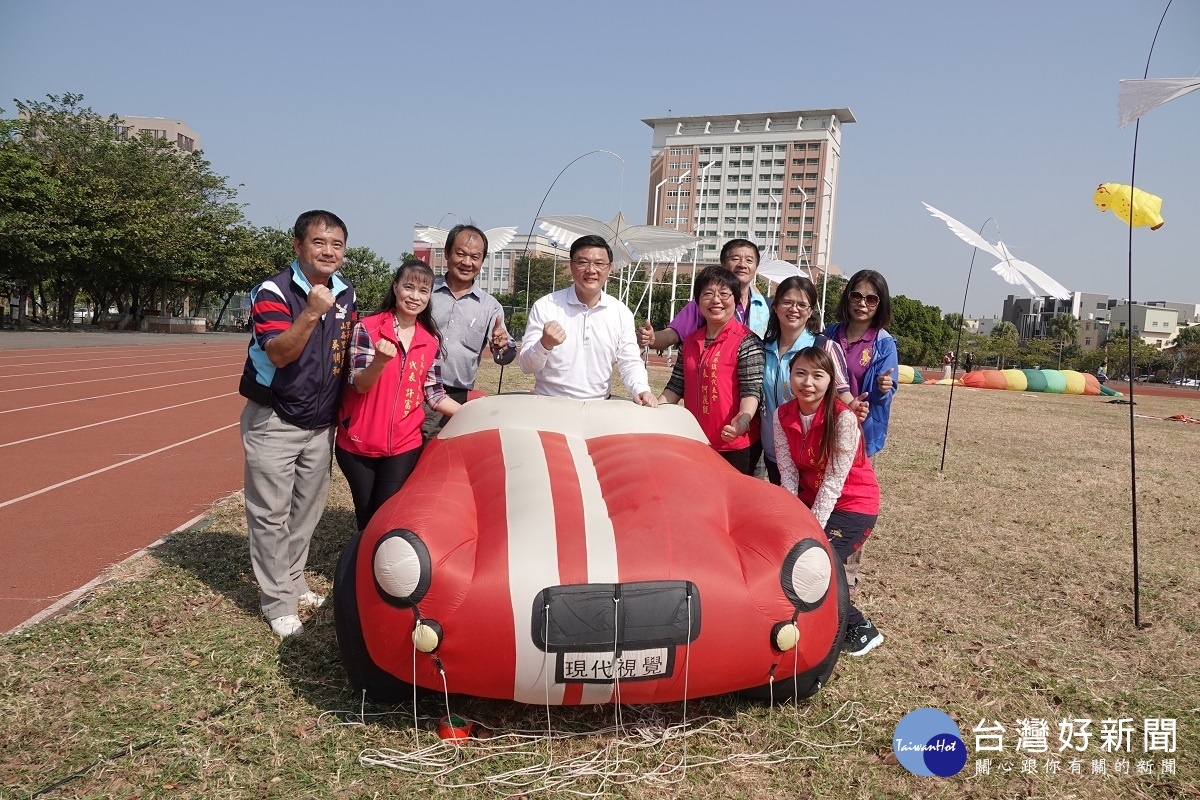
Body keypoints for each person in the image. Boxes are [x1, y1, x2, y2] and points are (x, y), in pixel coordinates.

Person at [239, 210, 356, 639]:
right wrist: (310, 312)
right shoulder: (274, 291)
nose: (328, 251)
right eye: (319, 242)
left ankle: (293, 578)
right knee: (270, 514)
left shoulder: (346, 294)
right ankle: (277, 602)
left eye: (337, 244)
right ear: (298, 245)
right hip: (275, 418)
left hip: (321, 423)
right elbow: (278, 354)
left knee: (306, 510)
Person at [774, 346, 883, 656]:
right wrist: (792, 519)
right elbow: (788, 473)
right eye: (800, 373)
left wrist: (811, 529)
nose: (808, 382)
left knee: (820, 563)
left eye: (817, 375)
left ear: (830, 380)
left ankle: (861, 628)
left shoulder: (843, 418)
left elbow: (835, 482)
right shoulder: (783, 414)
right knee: (801, 562)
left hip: (854, 505)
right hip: (813, 500)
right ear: (790, 377)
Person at [336, 259, 460, 532]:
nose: (415, 296)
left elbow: (434, 393)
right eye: (409, 287)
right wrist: (379, 361)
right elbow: (359, 384)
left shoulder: (430, 340)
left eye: (423, 291)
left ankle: (374, 564)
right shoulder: (367, 329)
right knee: (367, 514)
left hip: (404, 445)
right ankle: (360, 567)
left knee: (386, 514)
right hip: (358, 444)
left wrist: (473, 412)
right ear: (395, 288)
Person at [824, 269, 897, 604]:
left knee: (851, 503)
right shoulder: (830, 334)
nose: (862, 304)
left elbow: (887, 384)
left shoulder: (882, 342)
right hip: (828, 432)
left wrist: (885, 386)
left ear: (879, 304)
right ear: (847, 297)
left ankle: (847, 577)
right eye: (856, 296)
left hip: (862, 439)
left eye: (871, 298)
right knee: (826, 495)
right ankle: (822, 563)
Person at [519, 234, 657, 406]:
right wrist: (544, 344)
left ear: (609, 268)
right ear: (571, 265)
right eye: (583, 262)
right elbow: (526, 366)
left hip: (598, 407)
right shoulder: (546, 306)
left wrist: (641, 389)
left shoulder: (620, 313)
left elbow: (629, 361)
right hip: (549, 405)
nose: (591, 270)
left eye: (599, 263)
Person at [657, 266, 764, 474]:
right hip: (695, 441)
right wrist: (654, 409)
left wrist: (743, 421)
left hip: (734, 445)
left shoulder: (747, 341)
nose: (716, 300)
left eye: (724, 294)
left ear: (735, 299)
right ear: (697, 302)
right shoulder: (690, 341)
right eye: (708, 294)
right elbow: (676, 386)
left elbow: (751, 392)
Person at [761, 276, 864, 485]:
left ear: (810, 312)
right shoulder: (763, 348)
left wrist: (852, 404)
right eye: (787, 302)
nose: (794, 309)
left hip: (810, 455)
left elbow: (840, 388)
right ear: (776, 306)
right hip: (773, 451)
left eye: (801, 305)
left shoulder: (824, 347)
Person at [423, 225, 516, 438]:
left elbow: (504, 356)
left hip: (454, 396)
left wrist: (502, 346)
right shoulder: (425, 292)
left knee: (439, 458)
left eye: (475, 256)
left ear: (482, 261)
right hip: (412, 388)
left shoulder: (490, 306)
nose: (467, 262)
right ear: (446, 253)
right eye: (460, 253)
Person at [637, 238, 771, 351]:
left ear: (756, 267)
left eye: (749, 260)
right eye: (735, 259)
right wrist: (653, 338)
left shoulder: (768, 306)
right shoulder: (705, 303)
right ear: (723, 264)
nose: (742, 265)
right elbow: (672, 334)